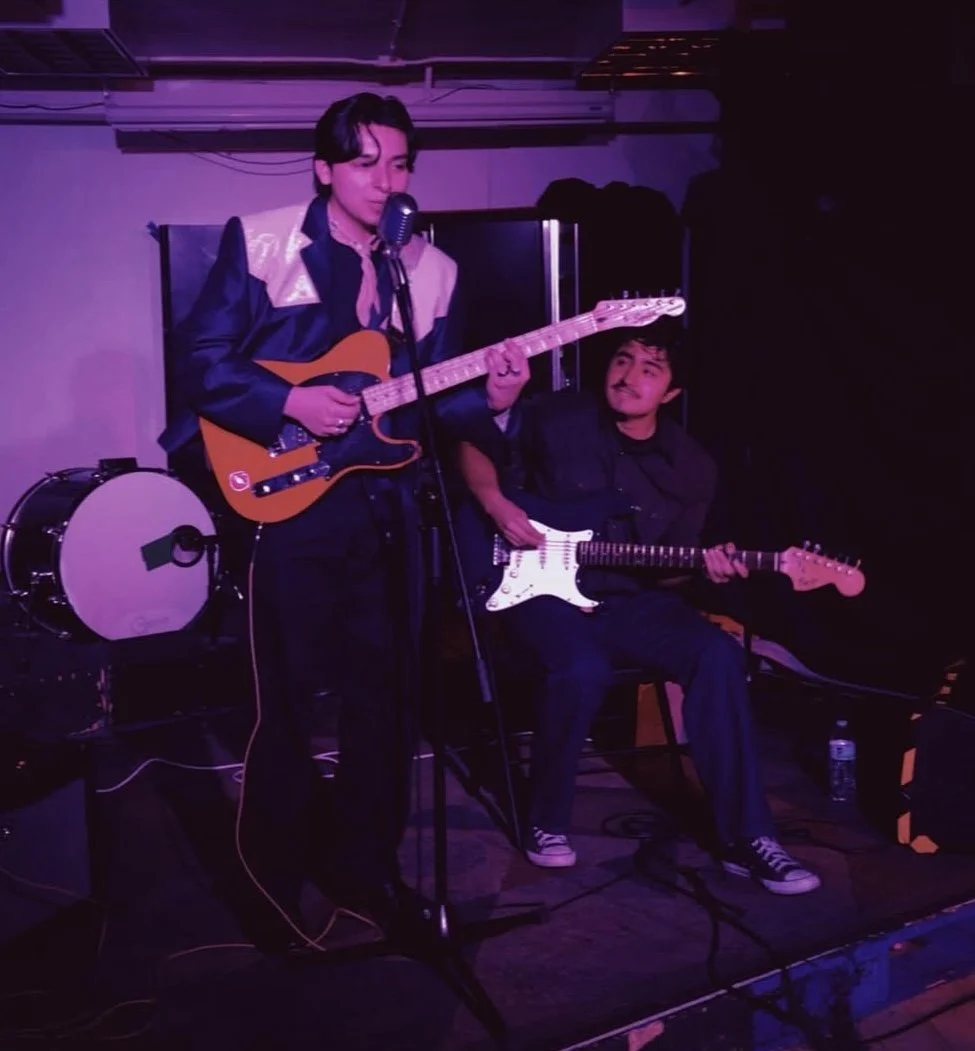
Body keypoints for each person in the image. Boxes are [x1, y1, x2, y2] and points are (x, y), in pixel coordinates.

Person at [159, 92, 530, 952]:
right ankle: (272, 883)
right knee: (285, 703)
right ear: (324, 167)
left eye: (398, 163)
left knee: (387, 701)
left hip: (387, 506)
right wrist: (288, 399)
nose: (385, 180)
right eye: (365, 163)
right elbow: (200, 360)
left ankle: (365, 868)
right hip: (288, 502)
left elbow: (435, 401)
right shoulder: (262, 241)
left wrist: (494, 398)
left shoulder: (430, 271)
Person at [456, 324, 821, 895]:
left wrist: (704, 567)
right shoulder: (559, 415)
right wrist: (495, 503)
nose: (628, 377)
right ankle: (545, 819)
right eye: (622, 360)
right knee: (581, 668)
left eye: (650, 370)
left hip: (629, 600)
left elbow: (667, 570)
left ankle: (748, 838)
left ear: (672, 392)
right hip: (536, 589)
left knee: (717, 655)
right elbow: (474, 439)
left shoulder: (692, 467)